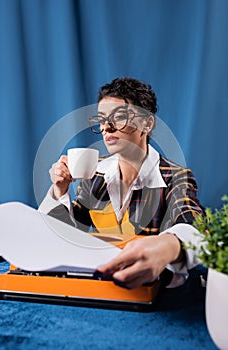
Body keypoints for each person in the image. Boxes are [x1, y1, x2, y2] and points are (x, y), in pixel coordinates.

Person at [39, 77, 204, 289]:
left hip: (157, 290)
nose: (106, 127)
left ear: (147, 123)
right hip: (102, 284)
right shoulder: (95, 175)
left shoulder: (176, 176)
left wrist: (169, 246)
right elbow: (66, 235)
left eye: (119, 117)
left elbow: (193, 226)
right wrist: (59, 190)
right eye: (101, 119)